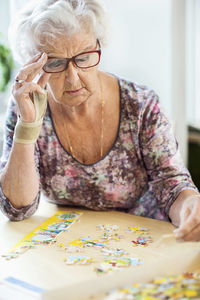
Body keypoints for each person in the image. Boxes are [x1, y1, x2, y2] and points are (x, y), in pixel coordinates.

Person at [0, 0, 200, 242]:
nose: (73, 79)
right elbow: (18, 209)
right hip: (69, 243)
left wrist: (191, 207)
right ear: (32, 65)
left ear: (99, 47)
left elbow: (171, 184)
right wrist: (28, 127)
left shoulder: (140, 103)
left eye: (83, 58)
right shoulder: (27, 106)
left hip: (142, 240)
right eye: (55, 63)